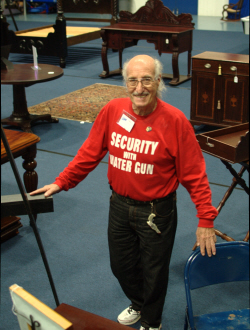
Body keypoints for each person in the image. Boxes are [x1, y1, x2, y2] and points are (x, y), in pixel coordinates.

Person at [30, 55, 218, 330]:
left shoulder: (175, 121)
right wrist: (62, 181)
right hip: (119, 205)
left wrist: (206, 219)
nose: (139, 88)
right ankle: (139, 303)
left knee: (154, 272)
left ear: (157, 82)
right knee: (121, 266)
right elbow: (89, 152)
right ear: (125, 83)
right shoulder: (113, 110)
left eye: (146, 80)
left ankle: (152, 322)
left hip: (157, 212)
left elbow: (194, 174)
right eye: (133, 80)